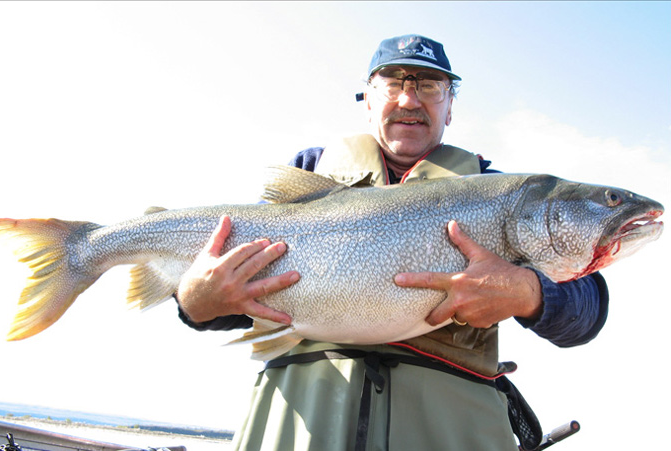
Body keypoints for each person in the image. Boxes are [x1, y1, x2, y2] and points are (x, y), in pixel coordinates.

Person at [175, 34, 609, 450]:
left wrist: (529, 293)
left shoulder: (499, 194)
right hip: (303, 428)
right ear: (367, 100)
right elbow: (235, 300)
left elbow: (586, 312)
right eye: (393, 83)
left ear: (450, 106)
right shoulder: (310, 170)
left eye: (430, 85)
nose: (410, 99)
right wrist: (194, 302)